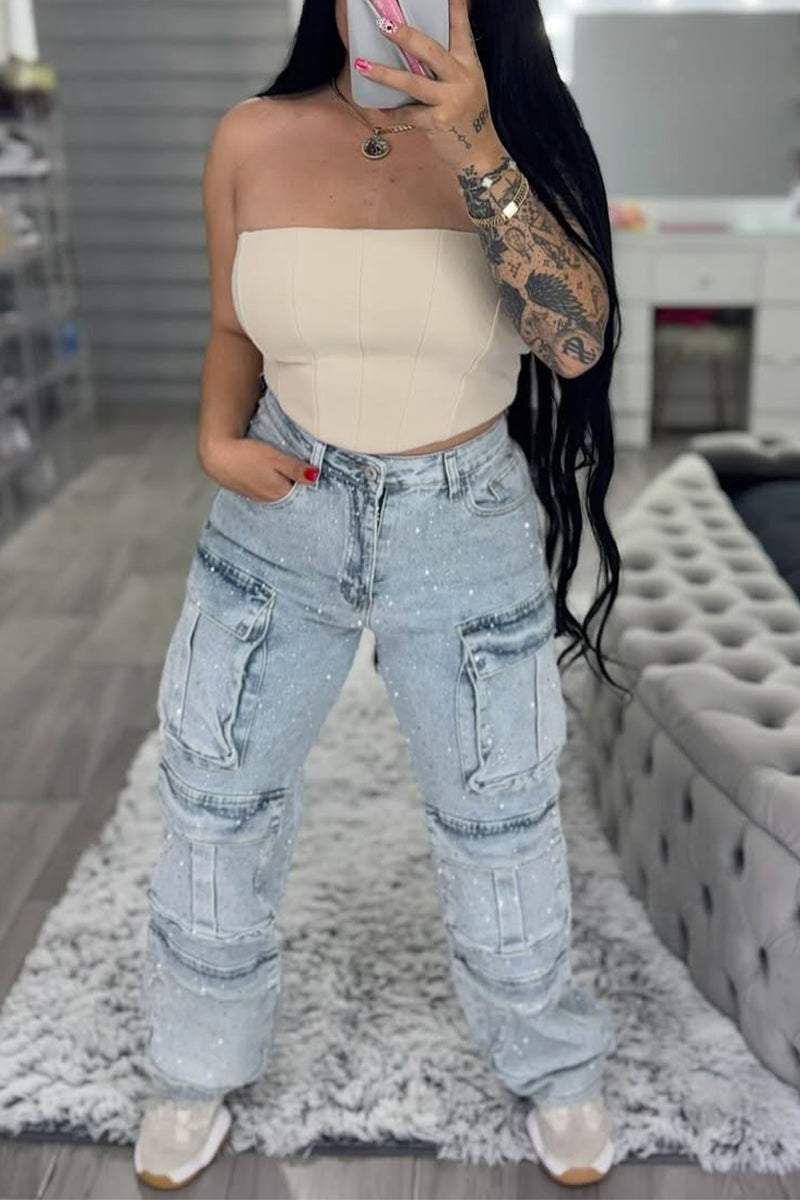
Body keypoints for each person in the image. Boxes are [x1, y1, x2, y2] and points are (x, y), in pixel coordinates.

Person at [134, 0, 630, 1188]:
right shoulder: (250, 135)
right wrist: (214, 440)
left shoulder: (520, 138)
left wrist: (473, 143)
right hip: (280, 512)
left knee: (496, 813)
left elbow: (571, 342)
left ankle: (551, 1064)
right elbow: (230, 325)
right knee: (214, 793)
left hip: (460, 525)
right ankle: (195, 1064)